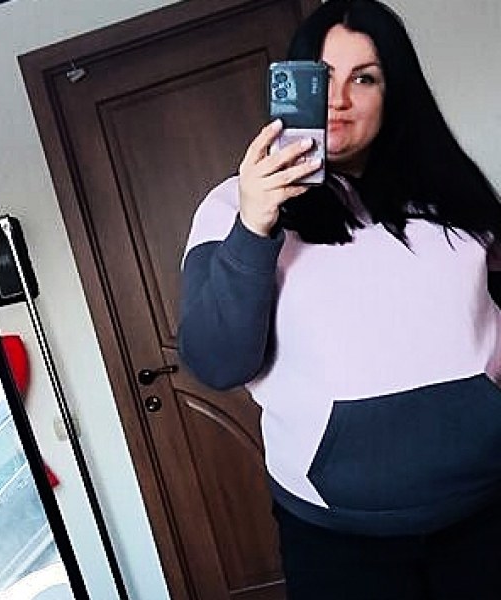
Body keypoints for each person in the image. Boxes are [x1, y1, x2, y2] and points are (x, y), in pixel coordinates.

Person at [177, 0, 501, 598]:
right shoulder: (232, 206)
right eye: (321, 79)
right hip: (337, 539)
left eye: (365, 78)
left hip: (487, 513)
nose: (339, 100)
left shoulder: (451, 193)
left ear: (395, 91)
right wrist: (254, 227)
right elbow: (217, 362)